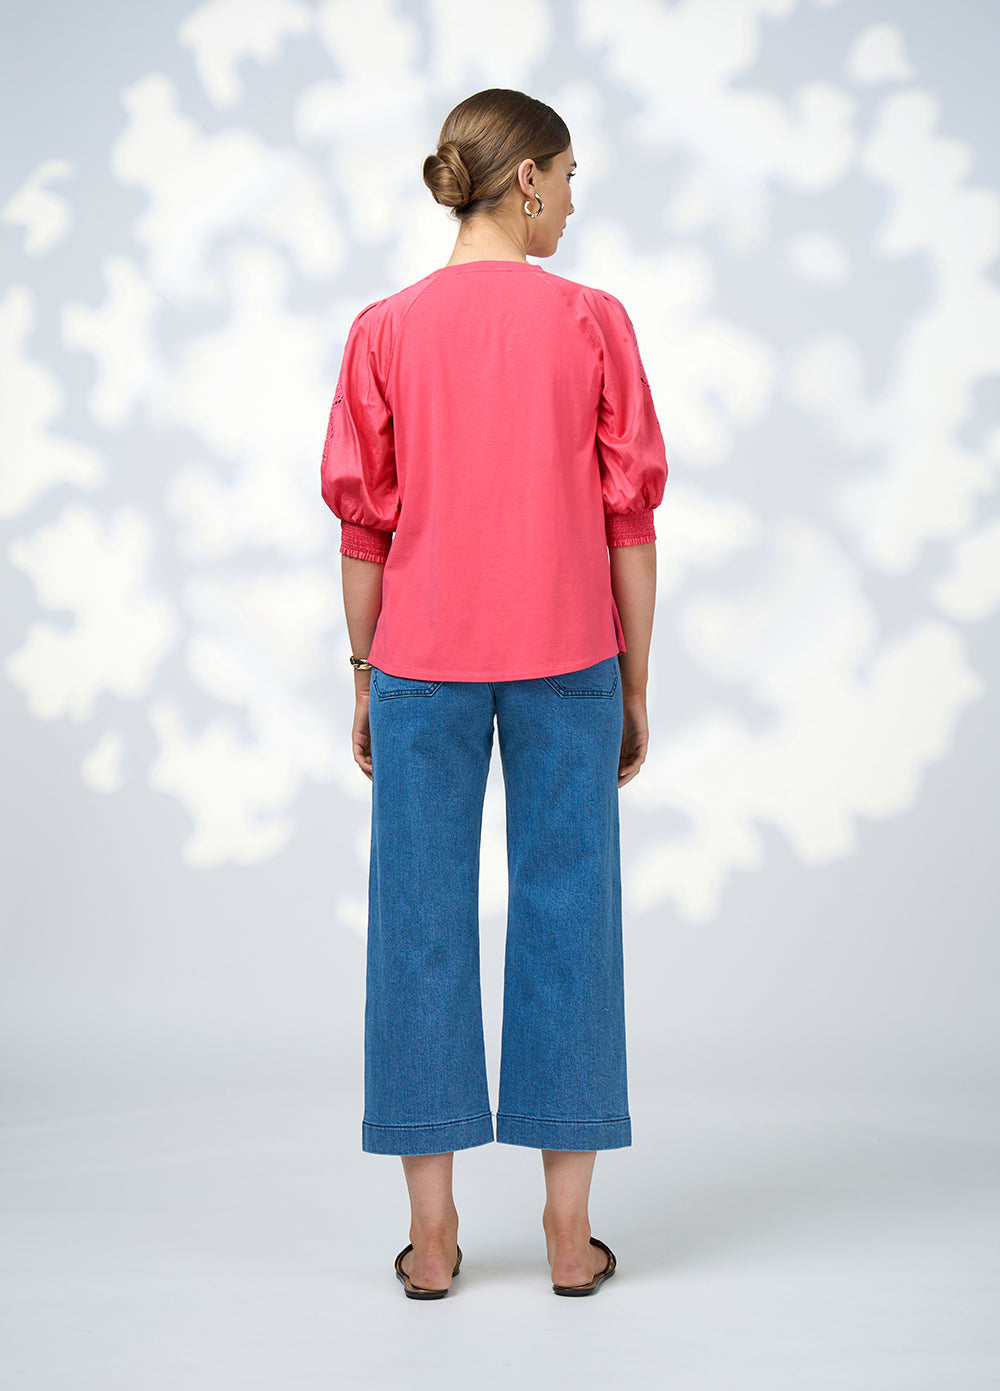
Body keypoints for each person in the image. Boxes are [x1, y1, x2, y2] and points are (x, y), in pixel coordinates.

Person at [320, 88, 668, 1299]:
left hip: (420, 659)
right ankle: (569, 1235)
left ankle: (431, 1240)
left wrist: (364, 673)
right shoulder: (591, 322)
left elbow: (363, 526)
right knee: (570, 919)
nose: (571, 199)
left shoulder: (384, 329)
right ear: (525, 179)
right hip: (569, 656)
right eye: (566, 176)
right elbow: (630, 519)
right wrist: (634, 677)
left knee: (416, 925)